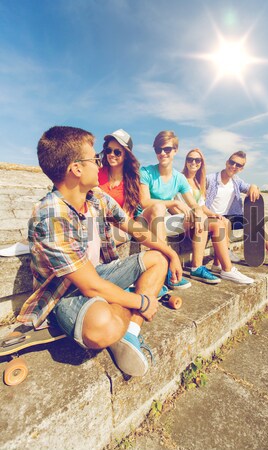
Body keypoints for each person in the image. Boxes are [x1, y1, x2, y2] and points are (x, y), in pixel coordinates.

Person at [16, 126, 183, 378]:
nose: (100, 163)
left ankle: (130, 333)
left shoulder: (95, 197)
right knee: (101, 328)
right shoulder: (50, 215)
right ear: (76, 169)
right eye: (95, 158)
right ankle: (128, 302)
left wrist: (170, 253)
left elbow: (134, 228)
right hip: (64, 293)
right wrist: (143, 301)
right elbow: (91, 287)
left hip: (98, 275)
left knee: (157, 258)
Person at [138, 130, 220, 288]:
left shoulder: (179, 178)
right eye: (158, 150)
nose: (162, 153)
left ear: (175, 150)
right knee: (159, 207)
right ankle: (165, 269)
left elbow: (194, 203)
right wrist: (174, 204)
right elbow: (144, 202)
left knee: (201, 216)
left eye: (167, 149)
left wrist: (197, 210)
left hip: (161, 221)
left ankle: (196, 267)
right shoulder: (146, 172)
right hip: (145, 220)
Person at [205, 150, 268, 273]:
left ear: (241, 169)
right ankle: (225, 252)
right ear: (227, 162)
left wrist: (254, 186)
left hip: (232, 217)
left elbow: (249, 188)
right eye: (232, 162)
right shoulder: (210, 179)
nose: (233, 166)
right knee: (224, 223)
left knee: (257, 222)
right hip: (213, 218)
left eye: (238, 165)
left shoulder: (236, 181)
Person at [181, 149, 254, 284]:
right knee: (216, 223)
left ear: (201, 163)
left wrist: (213, 214)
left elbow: (201, 206)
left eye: (197, 160)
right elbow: (176, 202)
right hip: (183, 219)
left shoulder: (198, 182)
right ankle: (226, 269)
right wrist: (194, 214)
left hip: (196, 218)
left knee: (223, 221)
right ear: (185, 161)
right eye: (190, 159)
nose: (193, 162)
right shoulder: (179, 178)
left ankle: (219, 264)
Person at [98, 129, 140, 245]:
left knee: (100, 241)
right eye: (108, 150)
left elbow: (125, 216)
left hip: (122, 228)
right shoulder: (97, 173)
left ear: (126, 155)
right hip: (96, 225)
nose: (111, 155)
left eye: (117, 152)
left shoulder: (132, 181)